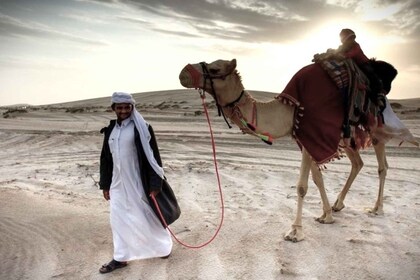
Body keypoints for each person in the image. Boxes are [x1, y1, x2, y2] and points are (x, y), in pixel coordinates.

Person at [98, 92, 172, 274]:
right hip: (116, 183)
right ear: (113, 108)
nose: (123, 110)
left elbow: (154, 157)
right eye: (119, 107)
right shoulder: (111, 130)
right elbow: (105, 159)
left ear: (132, 107)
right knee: (117, 219)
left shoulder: (143, 128)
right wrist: (105, 184)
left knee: (145, 214)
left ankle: (163, 246)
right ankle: (121, 257)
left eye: (126, 107)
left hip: (138, 181)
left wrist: (156, 185)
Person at [336, 28, 386, 110]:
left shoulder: (356, 46)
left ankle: (377, 96)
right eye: (349, 38)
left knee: (374, 78)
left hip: (364, 64)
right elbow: (337, 52)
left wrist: (343, 55)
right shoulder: (342, 47)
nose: (351, 40)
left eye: (352, 38)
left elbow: (352, 53)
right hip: (353, 64)